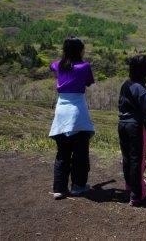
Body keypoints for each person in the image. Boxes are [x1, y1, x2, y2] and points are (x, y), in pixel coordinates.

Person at [49, 37, 95, 200]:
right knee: (80, 153)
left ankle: (59, 188)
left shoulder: (58, 66)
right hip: (77, 112)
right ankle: (78, 186)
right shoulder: (84, 67)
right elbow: (89, 82)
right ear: (79, 51)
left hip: (61, 112)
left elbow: (52, 65)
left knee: (62, 153)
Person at [118, 54, 146, 206]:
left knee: (127, 158)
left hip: (122, 124)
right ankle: (137, 195)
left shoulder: (125, 85)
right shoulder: (143, 90)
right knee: (138, 160)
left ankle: (129, 189)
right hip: (137, 127)